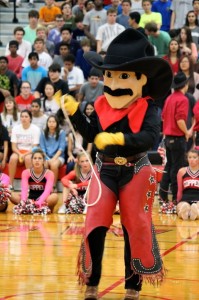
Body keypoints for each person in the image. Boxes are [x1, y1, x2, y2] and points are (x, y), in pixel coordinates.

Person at [63, 28, 173, 299]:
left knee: (133, 226)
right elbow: (91, 135)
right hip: (105, 168)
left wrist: (119, 138)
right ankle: (91, 283)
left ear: (140, 79)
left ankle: (132, 288)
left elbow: (149, 138)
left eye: (122, 76)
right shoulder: (101, 104)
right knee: (95, 224)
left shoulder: (149, 108)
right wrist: (76, 114)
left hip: (136, 169)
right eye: (109, 75)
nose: (112, 82)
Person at [159, 72, 192, 205]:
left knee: (169, 166)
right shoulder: (183, 99)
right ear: (186, 84)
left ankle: (163, 195)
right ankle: (177, 198)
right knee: (176, 168)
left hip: (168, 138)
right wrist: (186, 132)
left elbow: (162, 117)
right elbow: (180, 120)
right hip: (178, 138)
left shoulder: (169, 98)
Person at [9, 110, 41, 188]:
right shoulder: (15, 128)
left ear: (30, 118)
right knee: (12, 158)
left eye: (26, 116)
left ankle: (30, 185)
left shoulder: (36, 129)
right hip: (18, 151)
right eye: (22, 116)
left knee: (27, 159)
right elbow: (13, 146)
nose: (24, 118)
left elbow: (35, 147)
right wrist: (20, 154)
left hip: (30, 152)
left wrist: (24, 154)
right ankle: (10, 184)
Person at [39, 115, 66, 191]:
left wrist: (53, 159)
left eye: (53, 122)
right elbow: (42, 148)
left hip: (59, 156)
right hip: (46, 156)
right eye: (49, 121)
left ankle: (53, 186)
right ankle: (46, 185)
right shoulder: (43, 133)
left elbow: (61, 148)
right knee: (44, 164)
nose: (51, 123)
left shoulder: (61, 132)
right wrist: (47, 159)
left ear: (57, 123)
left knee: (54, 165)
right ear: (47, 123)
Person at [176, 149, 199, 220]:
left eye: (194, 157)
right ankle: (185, 213)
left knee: (196, 206)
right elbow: (179, 190)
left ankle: (195, 213)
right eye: (190, 157)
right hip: (185, 199)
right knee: (182, 207)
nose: (191, 160)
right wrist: (178, 202)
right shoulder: (182, 171)